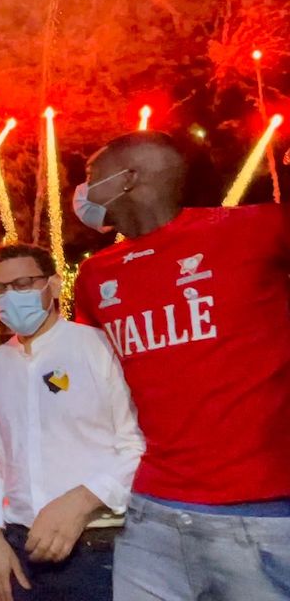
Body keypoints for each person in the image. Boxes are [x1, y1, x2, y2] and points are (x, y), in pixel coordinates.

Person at [73, 131, 290, 600]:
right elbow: (92, 387)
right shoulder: (95, 276)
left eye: (91, 178)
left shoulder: (254, 229)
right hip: (149, 514)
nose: (83, 191)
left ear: (128, 179)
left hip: (258, 517)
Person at [0, 243, 144, 601]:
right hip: (20, 550)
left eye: (22, 284)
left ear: (54, 285)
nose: (9, 297)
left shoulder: (98, 347)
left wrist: (82, 501)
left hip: (97, 549)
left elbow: (137, 445)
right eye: (1, 289)